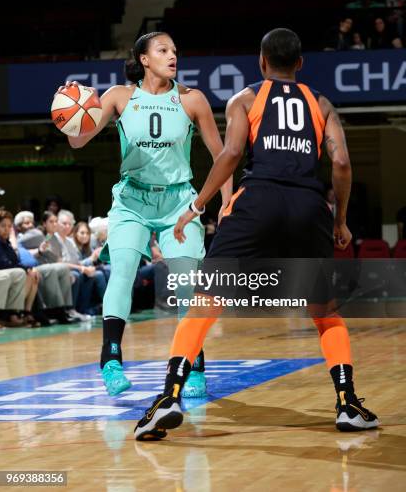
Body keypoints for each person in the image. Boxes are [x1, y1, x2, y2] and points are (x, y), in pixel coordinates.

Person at [134, 28, 379, 440]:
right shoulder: (322, 104)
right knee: (325, 311)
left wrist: (197, 206)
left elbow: (230, 154)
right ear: (299, 64)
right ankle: (347, 402)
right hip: (308, 205)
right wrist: (339, 221)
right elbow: (341, 165)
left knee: (204, 303)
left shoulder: (245, 98)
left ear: (261, 63)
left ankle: (169, 397)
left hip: (257, 201)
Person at [56, 31, 232, 398]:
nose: (173, 56)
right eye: (163, 50)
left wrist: (227, 206)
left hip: (178, 204)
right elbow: (78, 140)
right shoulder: (119, 97)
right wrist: (71, 112)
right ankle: (110, 359)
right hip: (132, 200)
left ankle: (194, 364)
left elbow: (223, 159)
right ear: (144, 59)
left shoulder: (192, 99)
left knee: (187, 287)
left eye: (175, 51)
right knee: (122, 271)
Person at [0, 209, 40, 327]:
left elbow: (15, 261)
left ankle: (25, 312)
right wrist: (25, 269)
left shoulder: (6, 243)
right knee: (21, 272)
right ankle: (10, 313)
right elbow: (3, 263)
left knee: (33, 274)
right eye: (3, 226)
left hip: (7, 273)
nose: (6, 229)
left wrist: (29, 269)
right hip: (2, 272)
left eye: (9, 226)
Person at [73, 221, 108, 309]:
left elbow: (94, 261)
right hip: (77, 271)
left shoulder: (87, 247)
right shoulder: (73, 246)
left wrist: (98, 257)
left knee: (105, 270)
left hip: (88, 271)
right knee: (99, 274)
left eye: (87, 233)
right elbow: (76, 264)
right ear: (75, 233)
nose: (85, 235)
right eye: (82, 233)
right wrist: (92, 258)